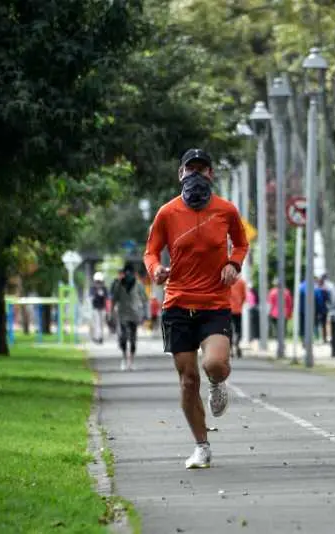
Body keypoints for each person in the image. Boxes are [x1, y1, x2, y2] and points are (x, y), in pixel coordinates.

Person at [143, 148, 248, 469]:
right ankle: (202, 446)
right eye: (191, 170)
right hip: (177, 303)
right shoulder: (167, 213)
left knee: (214, 363)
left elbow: (241, 243)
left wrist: (234, 263)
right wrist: (156, 271)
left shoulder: (226, 210)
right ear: (181, 175)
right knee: (188, 380)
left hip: (215, 302)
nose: (197, 176)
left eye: (203, 170)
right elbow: (151, 252)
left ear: (210, 175)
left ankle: (218, 383)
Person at [111, 264, 148, 371]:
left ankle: (130, 361)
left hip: (134, 315)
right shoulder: (119, 284)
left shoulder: (138, 284)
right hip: (123, 314)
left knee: (132, 339)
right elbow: (114, 299)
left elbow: (144, 299)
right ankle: (124, 358)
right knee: (123, 337)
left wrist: (145, 313)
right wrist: (111, 313)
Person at [89, 272, 109, 344]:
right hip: (95, 308)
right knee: (96, 323)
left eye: (100, 281)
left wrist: (107, 309)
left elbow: (107, 297)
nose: (98, 283)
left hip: (102, 308)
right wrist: (96, 294)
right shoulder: (92, 288)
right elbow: (91, 297)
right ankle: (98, 337)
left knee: (101, 324)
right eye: (97, 281)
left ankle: (100, 337)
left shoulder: (104, 288)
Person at [229, 275, 246, 358]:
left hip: (227, 308)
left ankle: (230, 347)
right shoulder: (241, 282)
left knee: (228, 328)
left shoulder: (226, 281)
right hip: (237, 309)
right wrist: (240, 304)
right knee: (238, 328)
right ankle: (237, 342)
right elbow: (244, 296)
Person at [315, 275, 331, 342]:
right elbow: (328, 300)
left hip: (317, 310)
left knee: (317, 324)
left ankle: (318, 338)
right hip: (324, 310)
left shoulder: (315, 290)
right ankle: (324, 338)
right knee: (324, 325)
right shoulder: (325, 290)